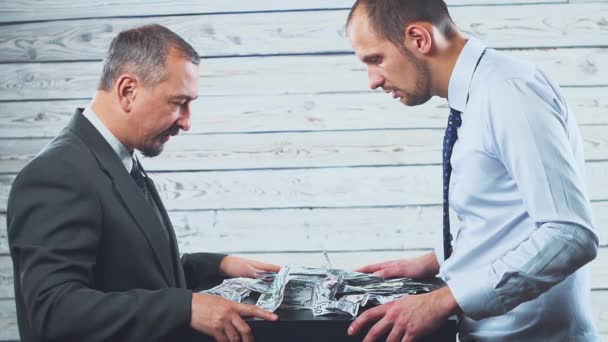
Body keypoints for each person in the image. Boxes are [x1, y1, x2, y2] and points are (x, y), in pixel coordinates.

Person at [7, 24, 280, 342]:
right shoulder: (57, 174)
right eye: (178, 103)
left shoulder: (115, 160)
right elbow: (55, 311)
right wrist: (184, 307)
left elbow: (131, 269)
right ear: (127, 92)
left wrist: (219, 266)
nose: (187, 122)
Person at [344, 1, 599, 341]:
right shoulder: (477, 94)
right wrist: (438, 259)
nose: (373, 81)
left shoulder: (510, 92)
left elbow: (570, 235)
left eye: (375, 59)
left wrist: (444, 300)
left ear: (419, 38)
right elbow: (504, 211)